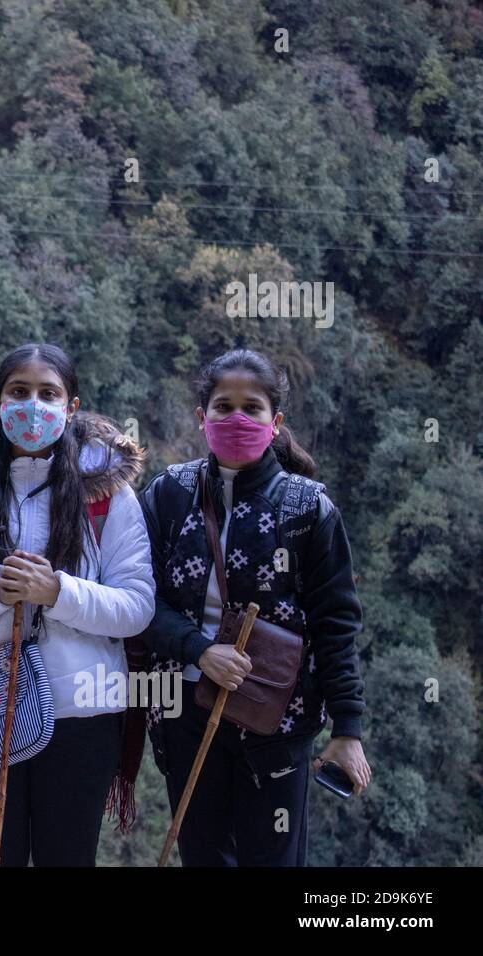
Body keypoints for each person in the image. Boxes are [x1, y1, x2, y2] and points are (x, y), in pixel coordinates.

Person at [0, 343, 155, 866]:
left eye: (49, 394)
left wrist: (58, 593)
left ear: (71, 407)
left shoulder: (107, 492)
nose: (33, 406)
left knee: (67, 856)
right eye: (19, 393)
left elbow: (137, 606)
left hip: (84, 709)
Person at [141, 348, 371, 866]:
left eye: (253, 407)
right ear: (202, 418)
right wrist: (200, 651)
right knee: (204, 856)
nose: (237, 419)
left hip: (279, 718)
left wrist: (348, 730)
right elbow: (139, 601)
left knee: (274, 858)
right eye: (223, 406)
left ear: (276, 421)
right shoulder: (169, 495)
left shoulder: (308, 508)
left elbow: (335, 623)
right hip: (184, 708)